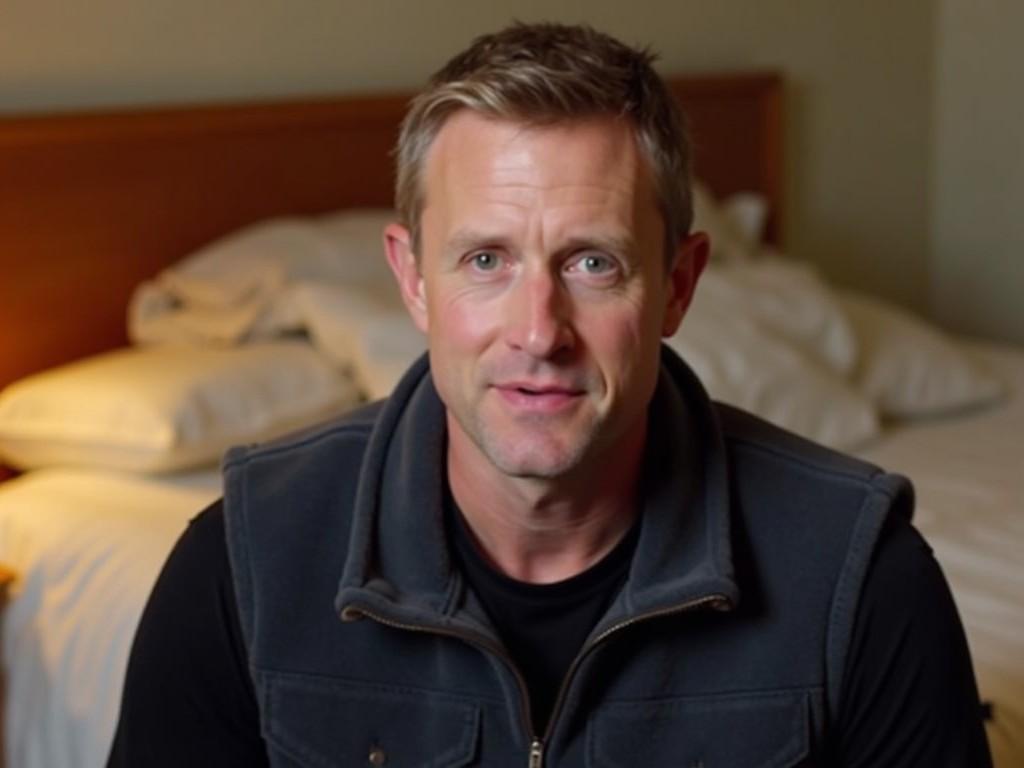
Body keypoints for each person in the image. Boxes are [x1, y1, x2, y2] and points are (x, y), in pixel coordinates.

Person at [108, 22, 991, 767]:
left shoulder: (861, 573)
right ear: (412, 281)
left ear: (678, 286)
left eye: (592, 263)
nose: (539, 330)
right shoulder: (246, 561)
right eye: (485, 260)